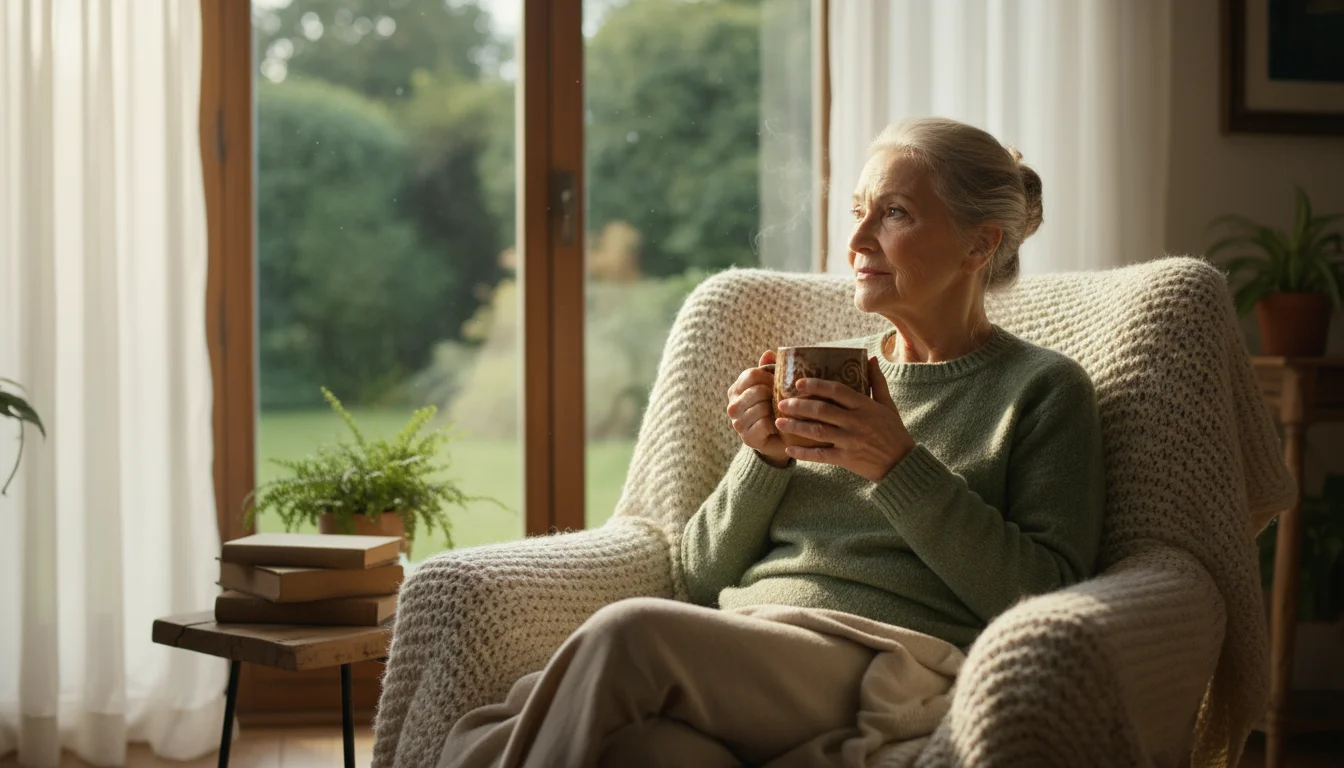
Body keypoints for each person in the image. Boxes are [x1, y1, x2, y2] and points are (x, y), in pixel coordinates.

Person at [441, 117, 1107, 768]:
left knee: (625, 638)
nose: (857, 239)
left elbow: (1045, 597)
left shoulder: (1041, 389)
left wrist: (897, 466)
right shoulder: (827, 372)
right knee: (630, 749)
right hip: (749, 643)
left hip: (891, 659)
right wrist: (763, 458)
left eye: (895, 213)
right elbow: (698, 579)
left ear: (979, 244)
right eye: (857, 210)